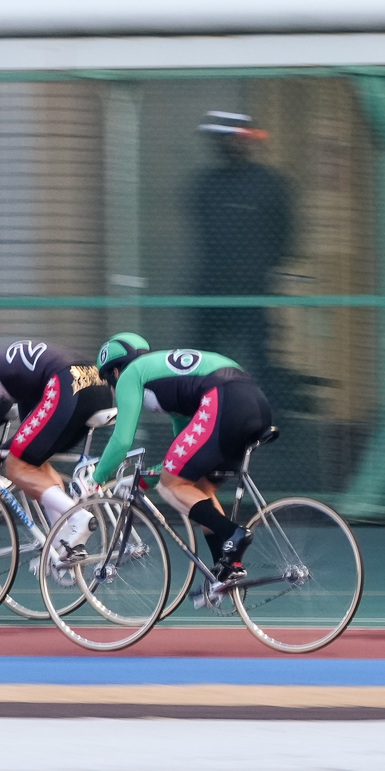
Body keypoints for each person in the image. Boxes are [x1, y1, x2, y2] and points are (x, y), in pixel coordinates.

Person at [92, 332, 274, 581]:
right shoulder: (167, 378)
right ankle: (224, 570)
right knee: (195, 487)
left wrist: (96, 479)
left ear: (114, 373)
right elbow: (180, 457)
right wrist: (147, 479)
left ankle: (234, 533)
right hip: (254, 402)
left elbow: (122, 440)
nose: (113, 389)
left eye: (108, 382)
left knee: (170, 488)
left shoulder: (130, 375)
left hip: (223, 400)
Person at [0, 337, 115, 572]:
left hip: (64, 382)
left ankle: (77, 517)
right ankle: (61, 543)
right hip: (92, 379)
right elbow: (27, 433)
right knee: (32, 461)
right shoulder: (16, 374)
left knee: (15, 468)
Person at [187, 112, 294, 391]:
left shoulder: (269, 184)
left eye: (239, 139)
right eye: (225, 140)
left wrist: (262, 269)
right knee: (202, 360)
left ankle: (260, 418)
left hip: (252, 290)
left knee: (259, 360)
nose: (234, 146)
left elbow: (285, 235)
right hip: (211, 289)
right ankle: (204, 412)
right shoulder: (206, 185)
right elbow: (202, 230)